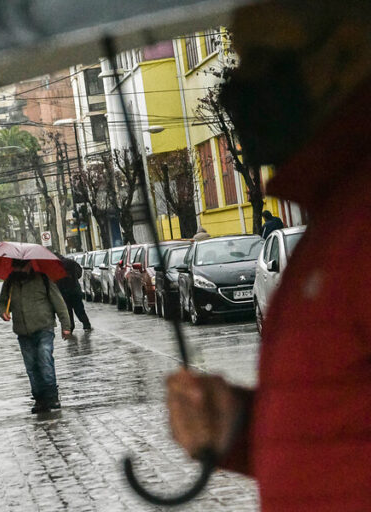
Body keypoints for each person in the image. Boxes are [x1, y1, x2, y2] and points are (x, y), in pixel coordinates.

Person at [166, 2, 371, 509]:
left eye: (260, 58)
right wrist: (239, 424)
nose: (240, 86)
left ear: (343, 52)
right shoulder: (333, 217)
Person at [0, 259, 71, 413]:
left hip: (44, 327)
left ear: (29, 264)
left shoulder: (43, 279)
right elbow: (2, 302)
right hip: (23, 331)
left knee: (44, 359)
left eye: (21, 266)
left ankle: (52, 397)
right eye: (16, 267)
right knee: (31, 366)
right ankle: (39, 399)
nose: (19, 270)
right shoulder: (10, 282)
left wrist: (66, 326)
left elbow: (59, 303)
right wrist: (3, 311)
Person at [54, 253, 92, 333]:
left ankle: (71, 327)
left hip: (63, 292)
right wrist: (74, 278)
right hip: (75, 289)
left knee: (68, 311)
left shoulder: (55, 266)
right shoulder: (71, 262)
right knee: (79, 309)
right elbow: (79, 273)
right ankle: (86, 325)